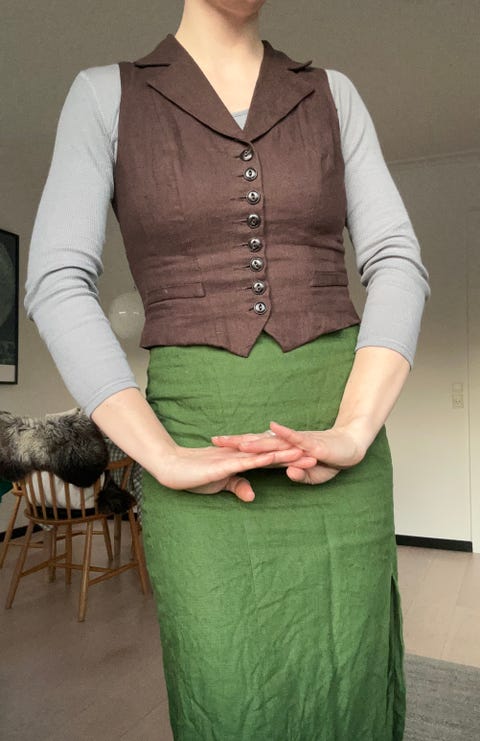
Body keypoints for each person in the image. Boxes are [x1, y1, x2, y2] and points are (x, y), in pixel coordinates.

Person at [25, 0, 430, 738]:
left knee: (351, 676)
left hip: (340, 444)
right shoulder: (104, 96)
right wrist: (160, 455)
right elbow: (57, 282)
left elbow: (397, 259)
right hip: (193, 445)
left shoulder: (333, 94)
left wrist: (354, 428)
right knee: (228, 688)